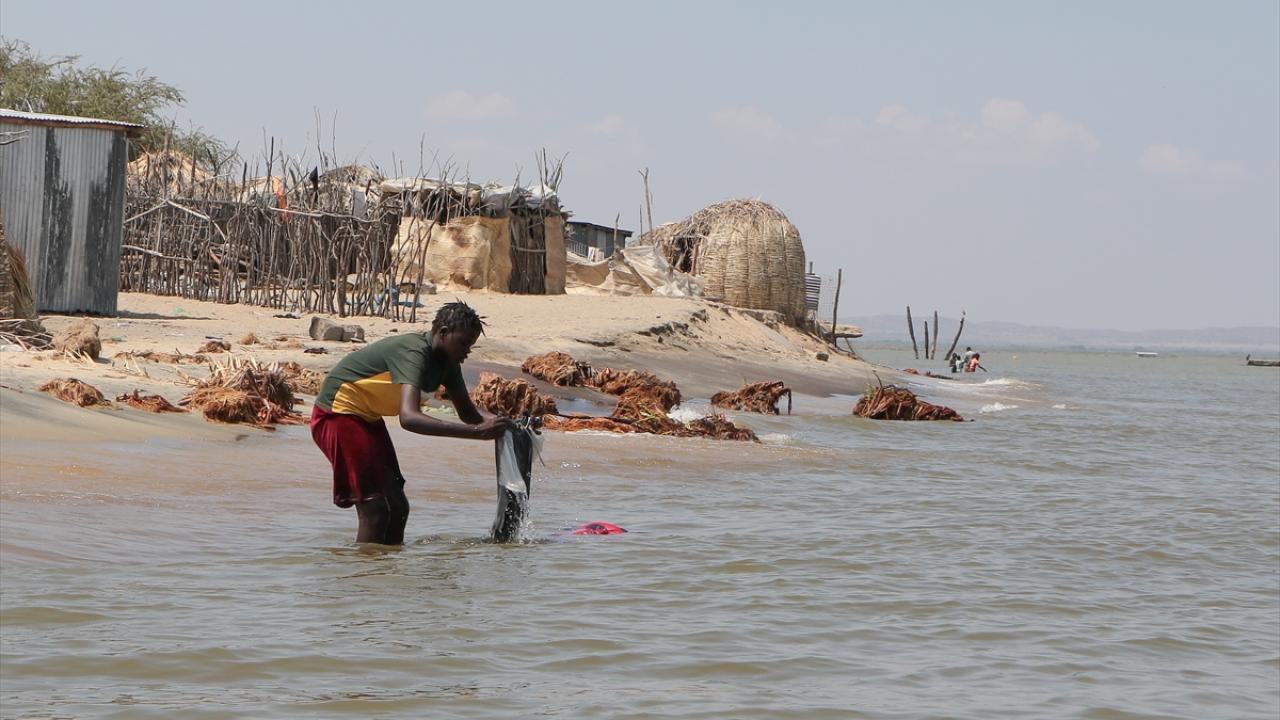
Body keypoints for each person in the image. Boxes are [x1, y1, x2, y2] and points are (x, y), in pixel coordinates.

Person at [310, 300, 509, 545]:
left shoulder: (449, 363)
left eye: (471, 345)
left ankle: (390, 566)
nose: (467, 351)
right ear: (443, 333)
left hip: (367, 417)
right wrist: (477, 433)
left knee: (398, 506)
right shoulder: (414, 353)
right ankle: (363, 569)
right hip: (336, 413)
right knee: (375, 508)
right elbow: (409, 418)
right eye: (463, 343)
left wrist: (506, 424)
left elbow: (468, 412)